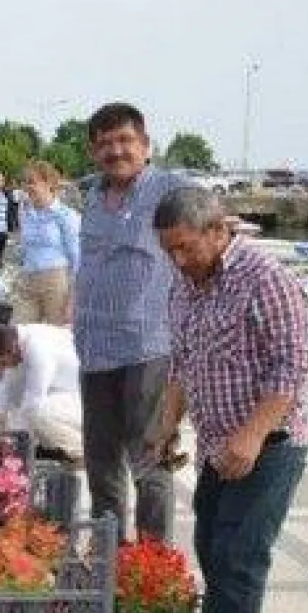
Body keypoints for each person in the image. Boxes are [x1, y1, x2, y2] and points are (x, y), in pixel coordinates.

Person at [148, 187, 308, 613]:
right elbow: (183, 362)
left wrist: (253, 434)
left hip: (270, 443)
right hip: (216, 444)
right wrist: (167, 422)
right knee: (212, 544)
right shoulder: (183, 286)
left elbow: (292, 365)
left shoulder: (265, 279)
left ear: (219, 232)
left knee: (241, 552)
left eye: (185, 248)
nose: (177, 260)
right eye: (168, 250)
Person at [73, 102, 182, 541]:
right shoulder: (92, 199)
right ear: (93, 151)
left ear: (146, 145)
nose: (115, 151)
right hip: (94, 350)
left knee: (150, 462)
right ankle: (110, 561)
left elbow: (210, 237)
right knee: (101, 467)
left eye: (124, 141)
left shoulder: (169, 190)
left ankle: (155, 570)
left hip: (147, 347)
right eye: (104, 144)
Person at [0, 321, 84, 461]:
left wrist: (9, 444)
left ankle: (83, 454)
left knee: (39, 413)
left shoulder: (38, 350)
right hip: (67, 394)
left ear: (8, 350)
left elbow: (32, 404)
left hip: (89, 399)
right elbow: (4, 397)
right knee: (18, 410)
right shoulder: (17, 343)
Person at [15, 160, 81, 325]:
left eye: (32, 182)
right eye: (25, 182)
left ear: (48, 183)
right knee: (17, 334)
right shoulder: (25, 214)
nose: (27, 187)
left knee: (57, 337)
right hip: (27, 279)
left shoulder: (66, 216)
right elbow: (23, 249)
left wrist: (73, 299)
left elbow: (77, 258)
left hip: (56, 281)